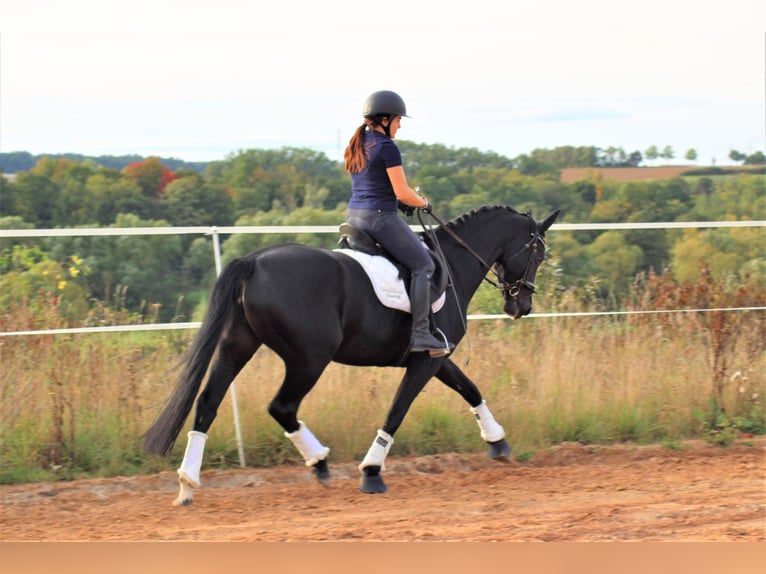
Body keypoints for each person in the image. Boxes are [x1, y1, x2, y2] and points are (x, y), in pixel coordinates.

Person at [344, 90, 452, 357]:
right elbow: (403, 192)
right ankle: (421, 334)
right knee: (423, 264)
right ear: (384, 119)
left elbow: (376, 184)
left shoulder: (360, 143)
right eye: (397, 120)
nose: (400, 125)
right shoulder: (387, 147)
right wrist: (423, 203)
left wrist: (400, 199)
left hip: (355, 217)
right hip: (379, 218)